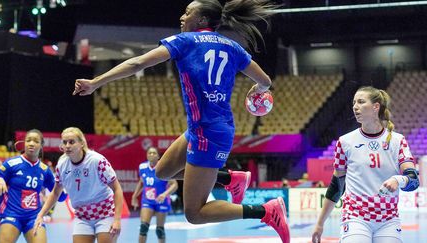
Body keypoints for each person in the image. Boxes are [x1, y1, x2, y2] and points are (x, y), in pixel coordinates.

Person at [72, 0, 290, 242]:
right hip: (203, 128)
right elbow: (266, 81)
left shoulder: (184, 41)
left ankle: (266, 211)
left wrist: (96, 82)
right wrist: (256, 90)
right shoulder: (233, 47)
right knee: (162, 171)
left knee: (195, 214)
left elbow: (137, 63)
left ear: (202, 20)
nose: (182, 16)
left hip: (209, 134)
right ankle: (230, 178)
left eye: (188, 12)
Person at [311, 86, 419, 243]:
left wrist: (398, 180)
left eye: (361, 102)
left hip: (388, 219)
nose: (355, 106)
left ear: (376, 107)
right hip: (355, 217)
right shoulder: (345, 142)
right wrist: (320, 224)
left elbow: (413, 180)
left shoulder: (398, 141)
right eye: (354, 102)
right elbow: (336, 186)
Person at [33, 127, 124, 243]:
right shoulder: (62, 165)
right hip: (82, 216)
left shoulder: (97, 161)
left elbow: (117, 189)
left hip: (105, 213)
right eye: (65, 142)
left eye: (71, 142)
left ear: (81, 143)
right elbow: (56, 192)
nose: (67, 145)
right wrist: (40, 215)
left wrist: (117, 219)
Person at [0, 129, 65, 243]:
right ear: (24, 143)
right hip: (12, 214)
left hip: (34, 217)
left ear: (41, 145)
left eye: (36, 141)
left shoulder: (45, 170)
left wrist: (68, 187)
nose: (31, 143)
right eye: (28, 140)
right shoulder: (11, 164)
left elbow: (60, 196)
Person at [131, 147, 178, 243]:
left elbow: (174, 184)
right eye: (149, 153)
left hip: (161, 201)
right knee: (143, 227)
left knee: (159, 230)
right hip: (147, 201)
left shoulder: (163, 167)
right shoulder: (142, 167)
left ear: (158, 156)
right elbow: (141, 182)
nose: (151, 154)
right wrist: (134, 196)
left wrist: (165, 194)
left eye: (154, 153)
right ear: (147, 155)